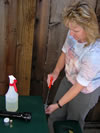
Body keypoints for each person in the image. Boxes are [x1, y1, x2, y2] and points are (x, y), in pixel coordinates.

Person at [45, 1, 100, 133]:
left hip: (85, 91)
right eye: (69, 28)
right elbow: (65, 52)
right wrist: (56, 72)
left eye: (76, 30)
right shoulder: (72, 33)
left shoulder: (94, 54)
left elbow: (77, 88)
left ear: (89, 27)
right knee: (55, 117)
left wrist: (57, 105)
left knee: (72, 123)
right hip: (68, 80)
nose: (71, 34)